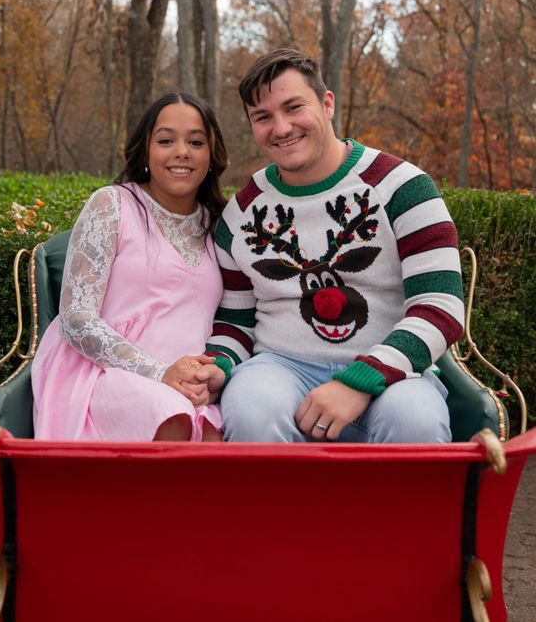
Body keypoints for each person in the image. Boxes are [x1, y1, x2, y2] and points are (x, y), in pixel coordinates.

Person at [205, 49, 465, 443]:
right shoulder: (241, 213)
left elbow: (440, 306)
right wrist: (219, 364)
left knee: (416, 421)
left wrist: (361, 380)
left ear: (327, 104)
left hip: (393, 370)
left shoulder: (404, 188)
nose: (281, 128)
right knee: (251, 409)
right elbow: (234, 323)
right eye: (263, 117)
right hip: (280, 368)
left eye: (294, 107)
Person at [32, 92, 229, 442]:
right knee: (170, 416)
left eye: (196, 142)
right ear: (145, 151)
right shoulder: (112, 205)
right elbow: (76, 319)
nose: (181, 151)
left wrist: (210, 375)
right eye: (166, 140)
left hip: (189, 384)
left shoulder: (222, 224)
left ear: (212, 155)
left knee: (219, 432)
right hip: (105, 372)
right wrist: (158, 372)